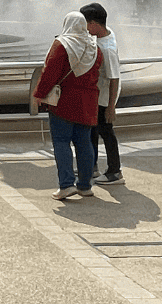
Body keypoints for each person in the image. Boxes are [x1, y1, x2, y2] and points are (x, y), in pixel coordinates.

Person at [33, 11, 103, 199]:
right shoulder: (95, 47)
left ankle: (66, 184)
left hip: (64, 101)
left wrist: (39, 94)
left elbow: (50, 72)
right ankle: (85, 185)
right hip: (88, 102)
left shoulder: (62, 45)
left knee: (62, 141)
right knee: (84, 142)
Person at [83, 2, 124, 186]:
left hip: (105, 97)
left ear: (94, 24)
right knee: (93, 130)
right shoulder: (106, 33)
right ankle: (92, 166)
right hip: (98, 95)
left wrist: (111, 107)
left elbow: (114, 78)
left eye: (85, 24)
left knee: (106, 132)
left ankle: (114, 171)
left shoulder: (107, 49)